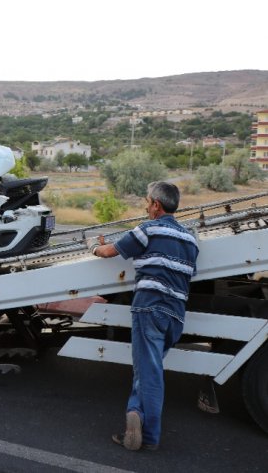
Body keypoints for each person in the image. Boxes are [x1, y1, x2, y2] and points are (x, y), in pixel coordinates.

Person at [88, 181, 199, 451]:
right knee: (148, 369)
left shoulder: (148, 229)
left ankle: (148, 437)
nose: (146, 207)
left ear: (156, 205)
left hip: (150, 307)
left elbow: (108, 252)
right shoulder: (189, 239)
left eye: (147, 202)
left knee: (149, 375)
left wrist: (92, 245)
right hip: (176, 314)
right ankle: (135, 415)